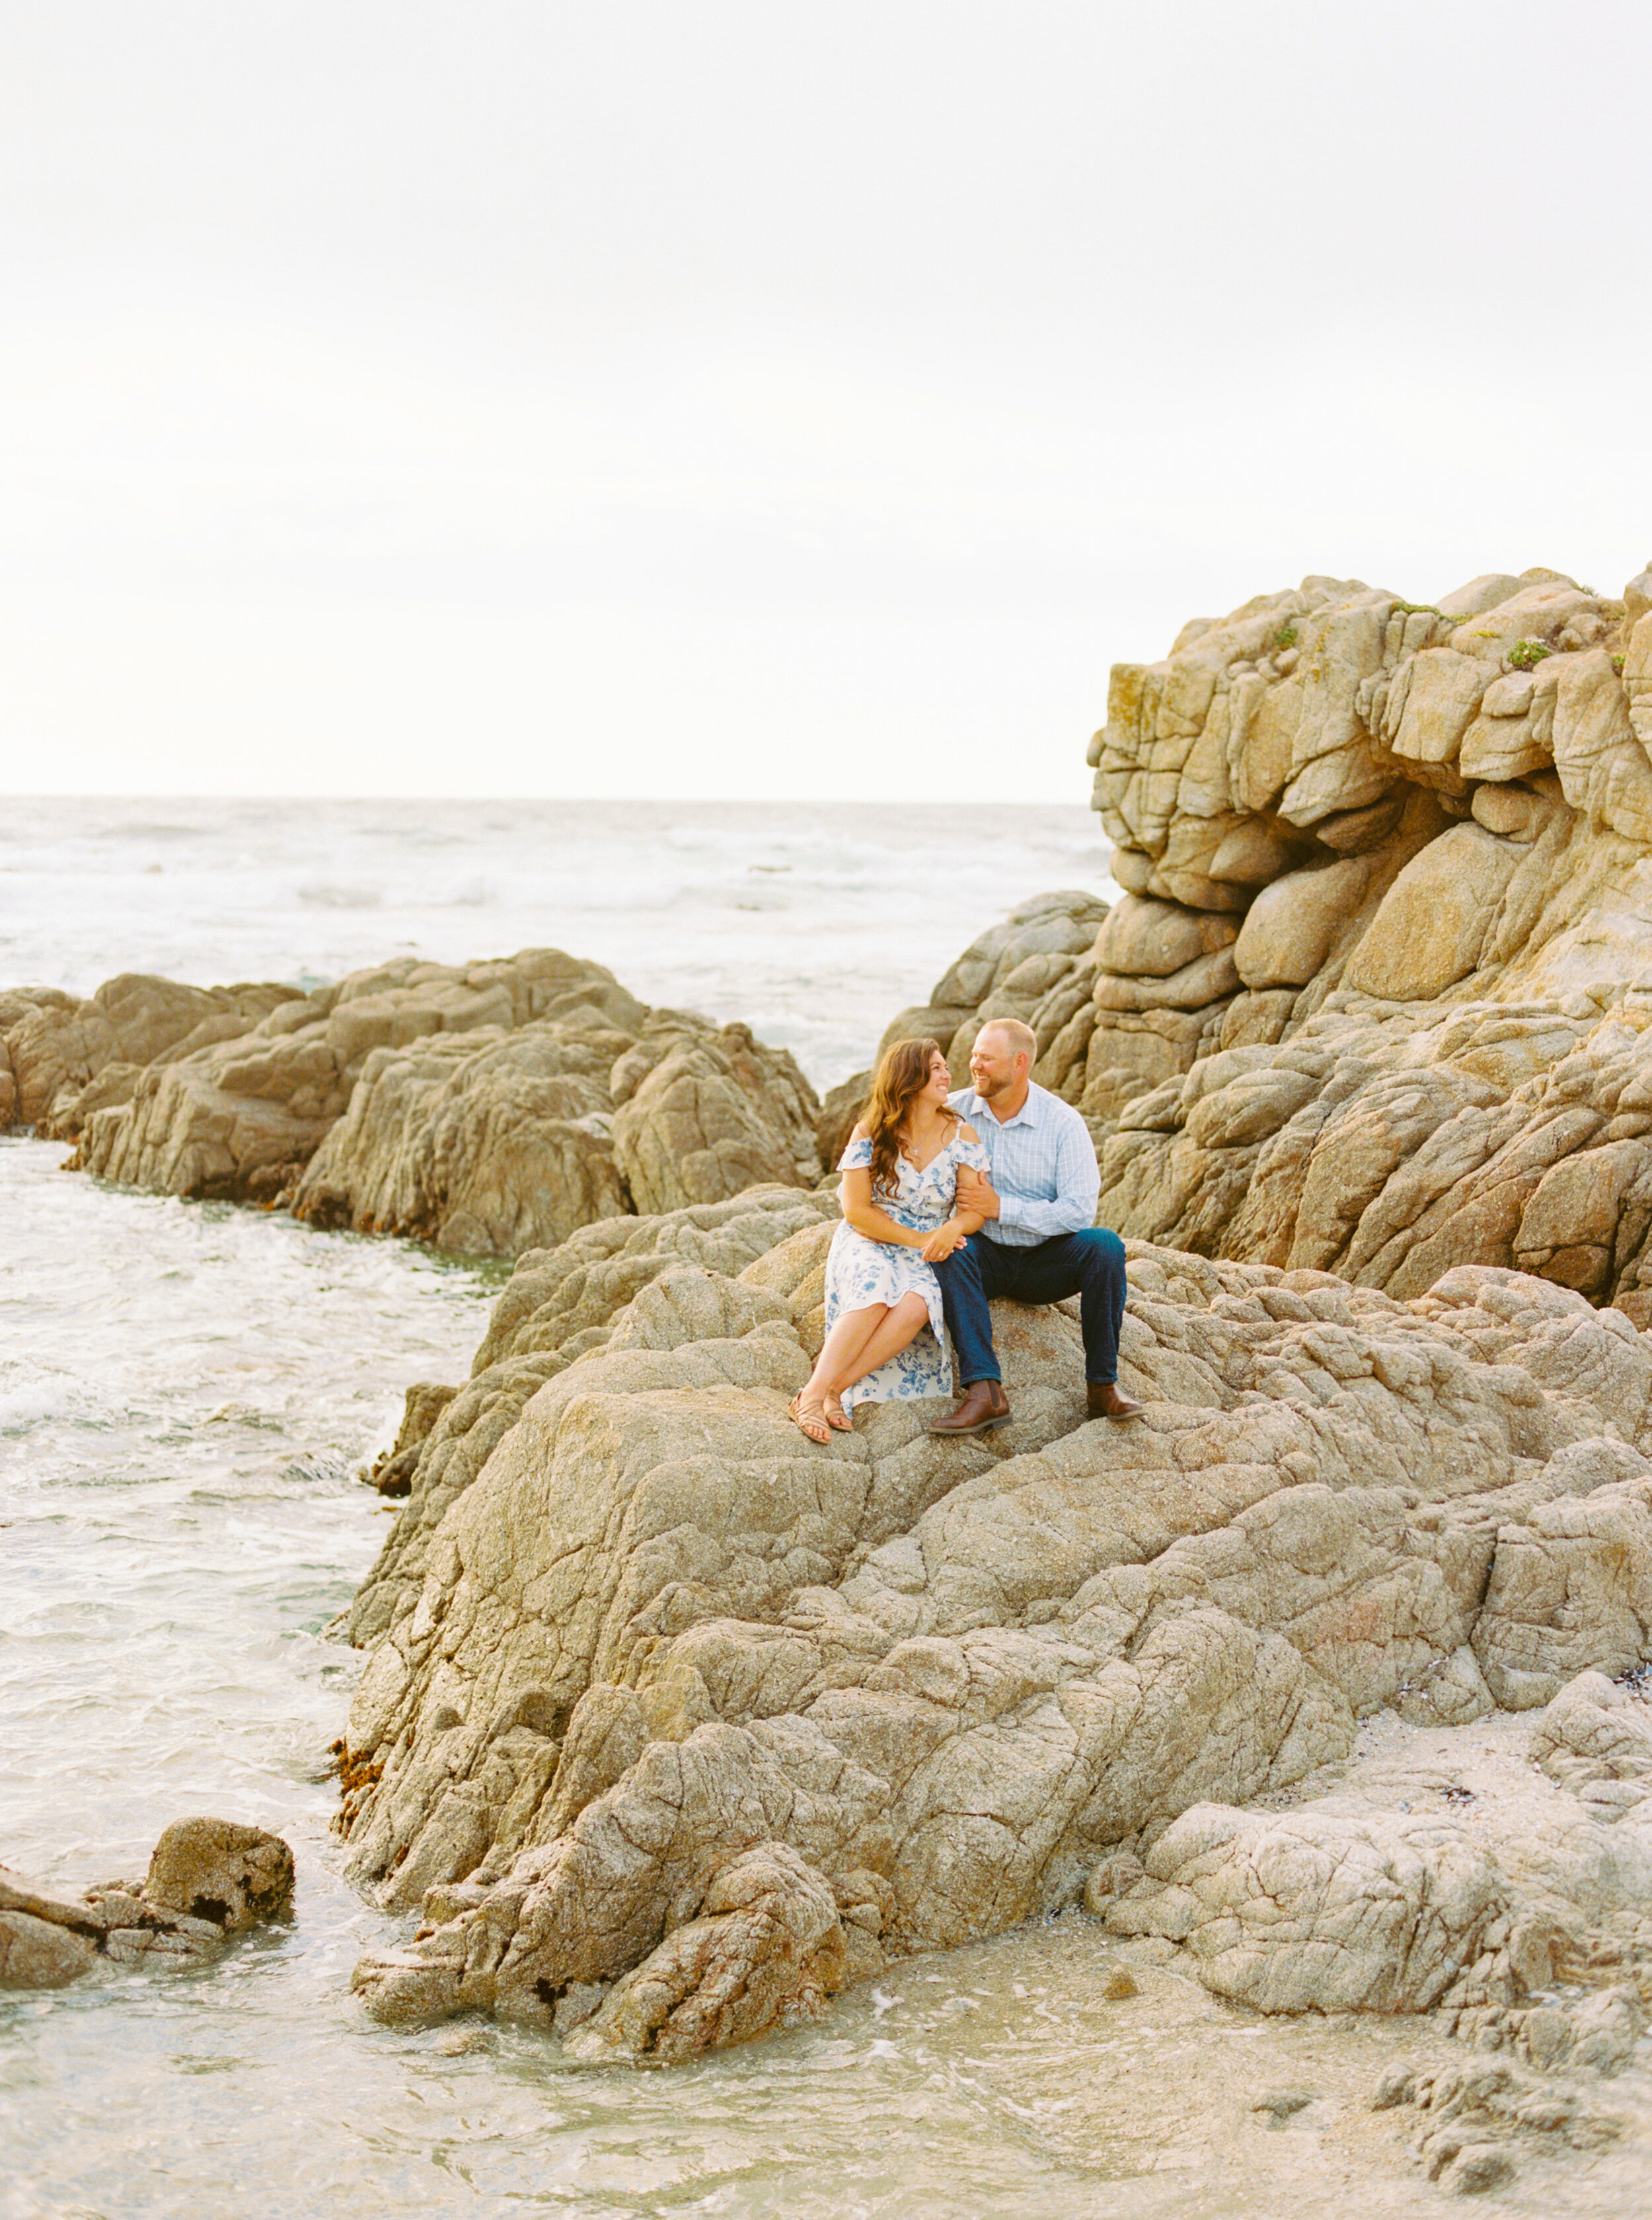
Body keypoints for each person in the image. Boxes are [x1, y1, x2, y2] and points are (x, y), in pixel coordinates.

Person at [926, 1017, 1141, 1436]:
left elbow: (1079, 1211)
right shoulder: (955, 1111)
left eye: (986, 1058)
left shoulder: (1062, 1122)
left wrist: (1002, 1208)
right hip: (983, 1254)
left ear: (1020, 1063)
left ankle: (1102, 1385)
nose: (975, 1065)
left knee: (1106, 1247)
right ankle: (985, 1392)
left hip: (1047, 1261)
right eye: (973, 1055)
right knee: (951, 1252)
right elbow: (901, 1129)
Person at [788, 1037, 989, 1444]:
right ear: (910, 1078)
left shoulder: (962, 1134)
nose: (948, 1075)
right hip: (873, 1237)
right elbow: (857, 1211)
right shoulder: (871, 1131)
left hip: (932, 1241)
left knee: (922, 1301)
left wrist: (950, 1230)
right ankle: (813, 1395)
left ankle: (830, 1389)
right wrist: (918, 1240)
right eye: (937, 1069)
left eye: (946, 1068)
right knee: (876, 1287)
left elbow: (975, 1209)